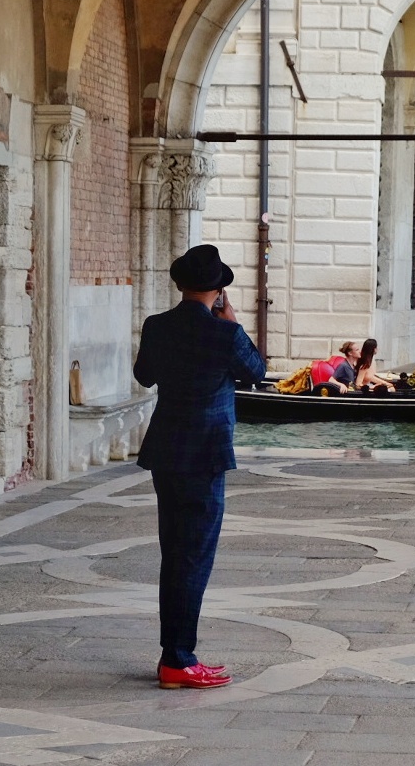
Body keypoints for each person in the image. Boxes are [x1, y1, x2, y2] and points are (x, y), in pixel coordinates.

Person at [133, 244, 267, 690]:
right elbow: (256, 372)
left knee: (175, 553)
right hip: (205, 454)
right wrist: (232, 324)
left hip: (166, 452)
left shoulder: (157, 325)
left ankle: (173, 655)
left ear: (181, 285)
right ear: (219, 290)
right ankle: (178, 659)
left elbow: (144, 376)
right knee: (193, 558)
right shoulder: (225, 334)